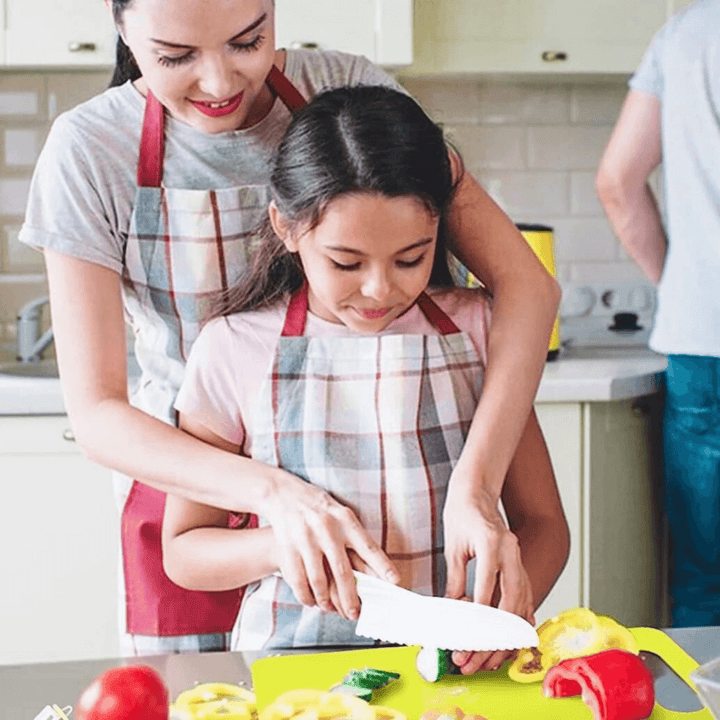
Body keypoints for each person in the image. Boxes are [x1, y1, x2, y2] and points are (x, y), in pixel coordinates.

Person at [19, 0, 560, 661]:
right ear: (121, 28)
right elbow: (99, 411)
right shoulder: (90, 150)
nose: (219, 84)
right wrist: (279, 499)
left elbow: (527, 287)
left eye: (248, 41)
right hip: (189, 487)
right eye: (175, 56)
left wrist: (474, 487)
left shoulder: (346, 92)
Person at [162, 85, 570, 662]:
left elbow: (545, 523)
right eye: (345, 262)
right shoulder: (234, 348)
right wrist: (279, 545)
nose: (381, 289)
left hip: (453, 669)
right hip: (295, 669)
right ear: (285, 227)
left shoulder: (480, 333)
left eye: (412, 258)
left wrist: (502, 607)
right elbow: (183, 551)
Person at [595, 0, 720, 627]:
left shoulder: (689, 34)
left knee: (706, 577)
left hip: (706, 337)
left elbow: (618, 181)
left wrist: (683, 284)